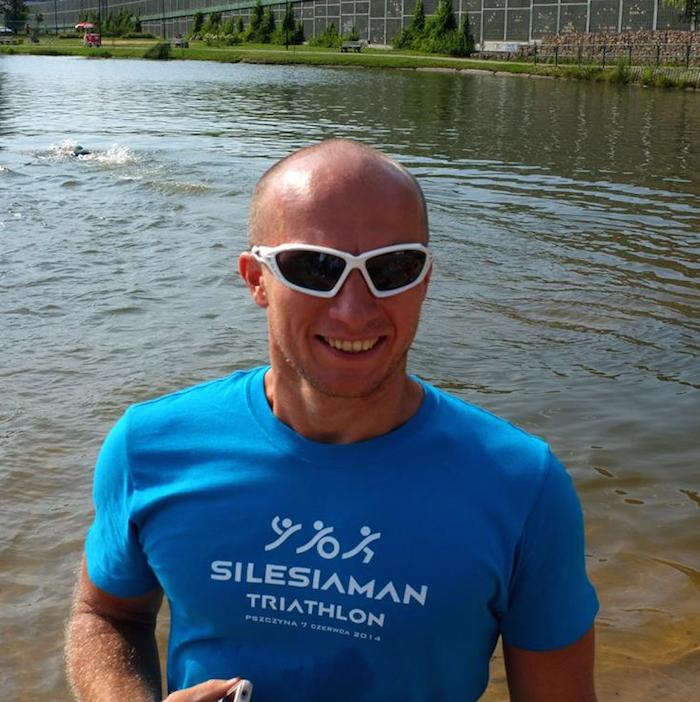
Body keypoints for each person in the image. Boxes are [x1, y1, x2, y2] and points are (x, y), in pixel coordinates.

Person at [66, 139, 599, 702]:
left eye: (392, 268)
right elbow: (107, 614)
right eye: (315, 268)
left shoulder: (522, 487)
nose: (353, 309)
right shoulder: (150, 447)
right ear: (256, 280)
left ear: (424, 280)